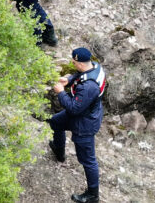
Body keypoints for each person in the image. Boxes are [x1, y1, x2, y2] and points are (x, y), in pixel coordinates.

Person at [49, 48, 106, 203]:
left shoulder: (89, 86)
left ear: (80, 63)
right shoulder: (94, 66)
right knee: (55, 121)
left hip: (85, 123)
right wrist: (69, 81)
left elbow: (74, 108)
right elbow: (81, 75)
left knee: (87, 160)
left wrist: (61, 92)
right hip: (85, 112)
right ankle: (59, 151)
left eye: (74, 62)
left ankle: (93, 195)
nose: (72, 64)